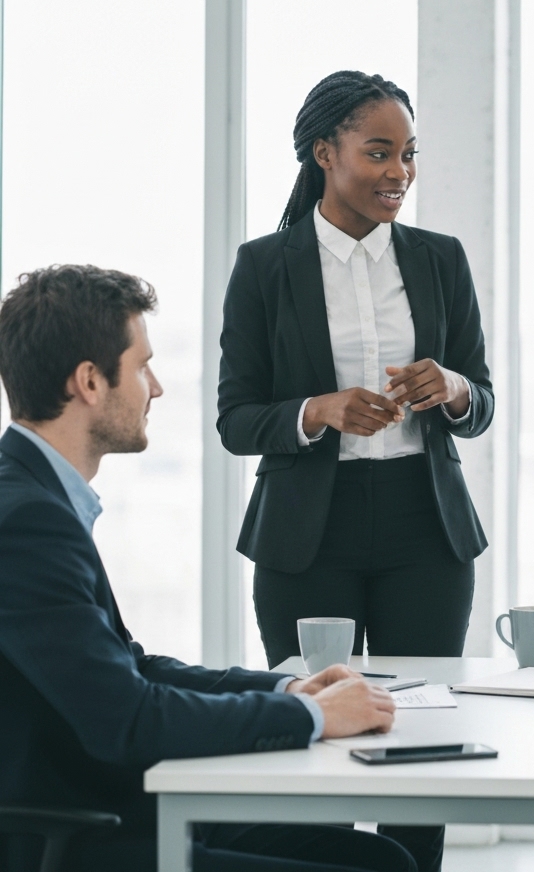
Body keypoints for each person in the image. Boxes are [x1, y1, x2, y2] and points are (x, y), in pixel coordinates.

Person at [0, 265, 415, 872]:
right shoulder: (27, 520)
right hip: (78, 833)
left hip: (108, 805)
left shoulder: (37, 497)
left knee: (381, 860)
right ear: (90, 381)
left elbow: (131, 667)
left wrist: (286, 688)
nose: (157, 387)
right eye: (141, 365)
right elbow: (129, 720)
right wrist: (314, 716)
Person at [217, 70, 493, 872]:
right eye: (378, 152)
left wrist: (452, 388)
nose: (398, 172)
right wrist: (320, 411)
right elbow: (237, 419)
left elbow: (483, 403)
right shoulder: (264, 265)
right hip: (308, 533)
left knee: (426, 738)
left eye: (408, 154)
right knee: (315, 731)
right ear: (323, 152)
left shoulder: (441, 259)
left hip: (425, 528)